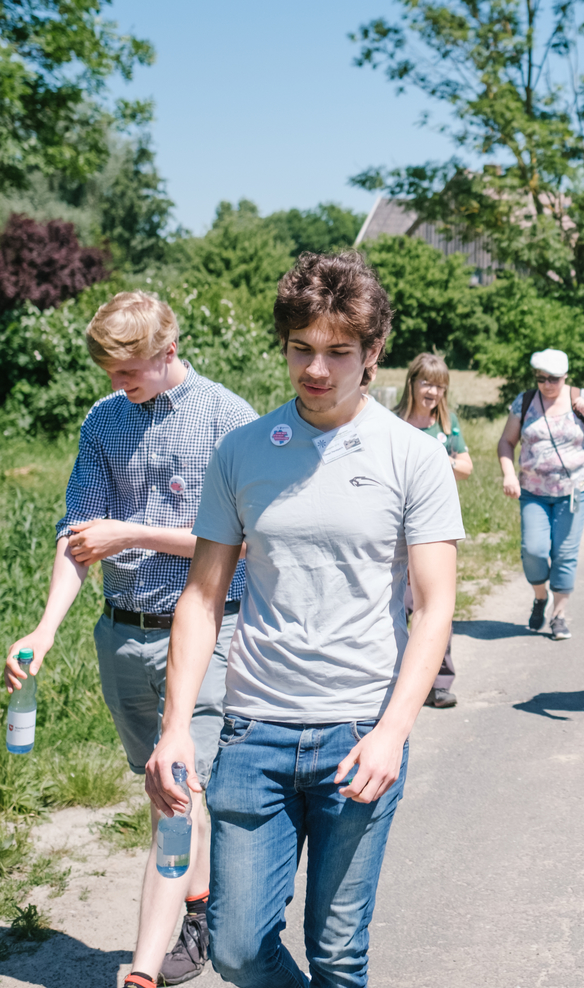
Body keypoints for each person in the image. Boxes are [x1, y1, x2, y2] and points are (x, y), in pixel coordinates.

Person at [144, 251, 463, 988]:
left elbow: (435, 604)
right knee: (236, 949)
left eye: (338, 352)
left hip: (358, 735)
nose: (316, 369)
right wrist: (174, 727)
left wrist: (392, 732)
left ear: (374, 353)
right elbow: (202, 596)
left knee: (338, 955)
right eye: (301, 349)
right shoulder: (244, 451)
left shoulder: (413, 456)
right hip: (253, 731)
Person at [4, 291, 257, 988]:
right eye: (110, 375)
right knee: (163, 793)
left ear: (169, 351)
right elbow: (79, 535)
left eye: (130, 373)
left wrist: (135, 532)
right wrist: (44, 629)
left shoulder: (228, 419)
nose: (117, 387)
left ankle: (146, 966)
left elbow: (245, 542)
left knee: (179, 790)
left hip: (209, 630)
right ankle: (203, 900)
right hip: (121, 636)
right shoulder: (103, 421)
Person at [497, 349, 584, 641]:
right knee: (534, 550)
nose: (546, 384)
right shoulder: (526, 401)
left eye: (553, 379)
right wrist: (508, 473)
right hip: (534, 490)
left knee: (565, 553)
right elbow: (506, 442)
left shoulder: (581, 398)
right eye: (540, 378)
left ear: (565, 377)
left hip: (575, 490)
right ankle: (540, 597)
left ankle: (559, 615)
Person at [396, 352, 474, 708]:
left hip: (435, 528)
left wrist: (437, 460)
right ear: (412, 382)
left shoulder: (447, 426)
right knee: (400, 603)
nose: (433, 392)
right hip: (394, 527)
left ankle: (439, 682)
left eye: (440, 386)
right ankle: (398, 677)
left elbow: (466, 467)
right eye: (427, 383)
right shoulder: (393, 422)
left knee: (435, 604)